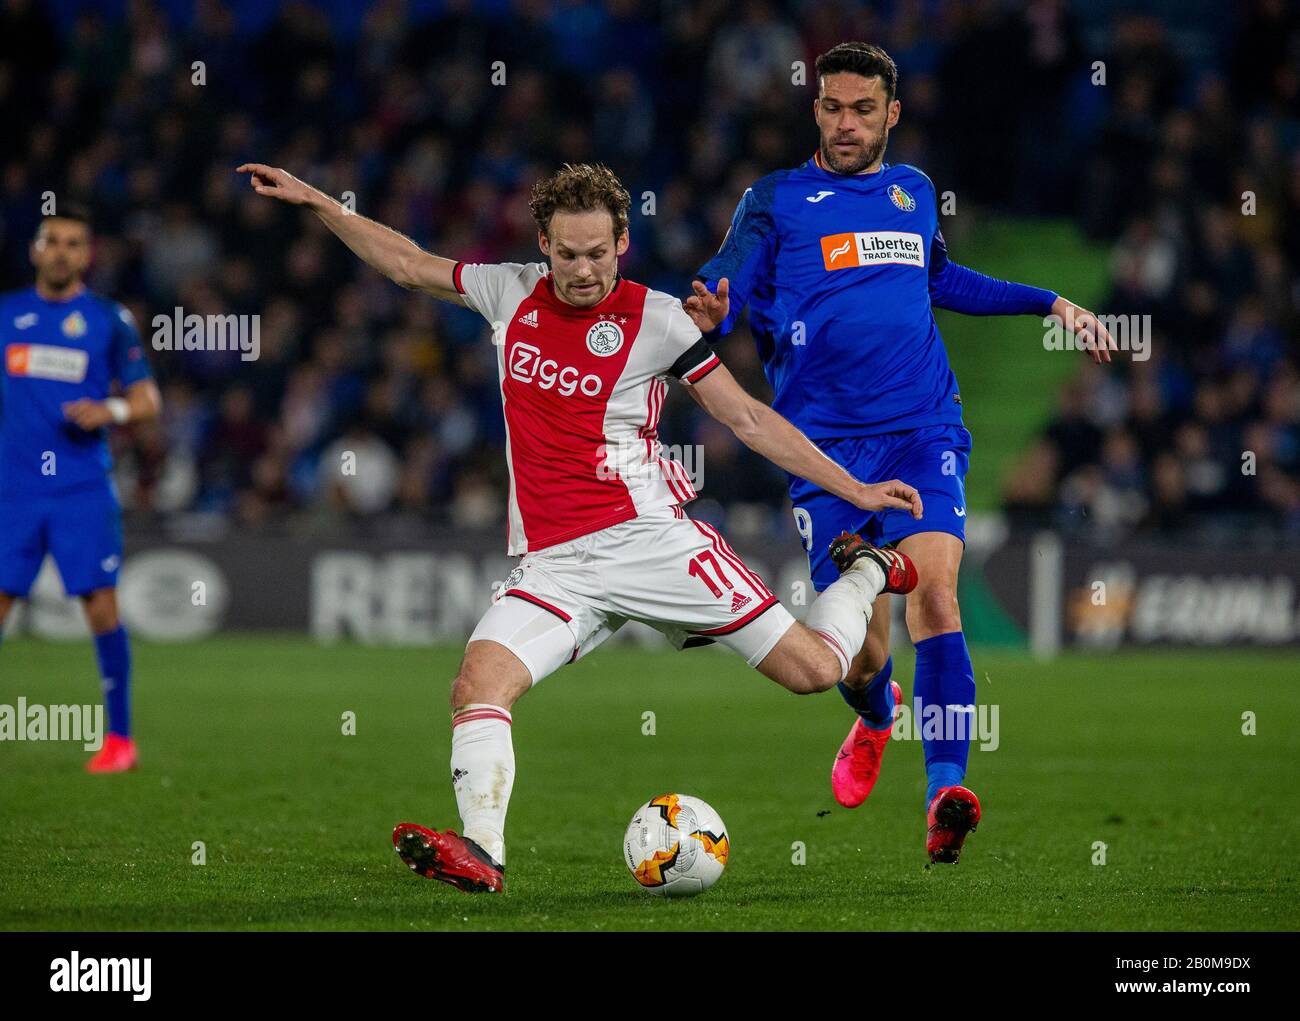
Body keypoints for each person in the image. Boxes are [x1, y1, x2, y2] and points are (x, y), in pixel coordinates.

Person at [240, 159, 923, 892]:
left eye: (598, 252)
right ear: (543, 242)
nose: (583, 270)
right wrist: (319, 203)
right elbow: (407, 264)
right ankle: (483, 852)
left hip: (653, 542)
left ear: (622, 242)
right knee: (478, 683)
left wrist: (853, 486)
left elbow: (747, 418)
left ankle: (869, 569)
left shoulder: (658, 319)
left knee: (816, 673)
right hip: (556, 564)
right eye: (567, 253)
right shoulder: (509, 292)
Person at [684, 42, 1115, 863]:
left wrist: (1046, 300)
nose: (846, 124)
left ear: (891, 114)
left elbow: (940, 278)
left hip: (923, 428)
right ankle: (875, 714)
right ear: (815, 109)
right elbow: (727, 273)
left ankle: (943, 792)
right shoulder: (775, 199)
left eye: (862, 109)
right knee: (862, 649)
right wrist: (711, 300)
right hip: (825, 454)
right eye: (832, 107)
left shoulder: (912, 191)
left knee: (939, 597)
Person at [0, 206, 162, 772]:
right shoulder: (6, 316)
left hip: (80, 489)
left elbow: (148, 401)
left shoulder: (107, 319)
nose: (63, 251)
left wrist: (109, 407)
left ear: (87, 254)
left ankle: (119, 740)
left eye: (74, 243)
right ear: (35, 250)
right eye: (53, 241)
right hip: (12, 490)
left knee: (100, 606)